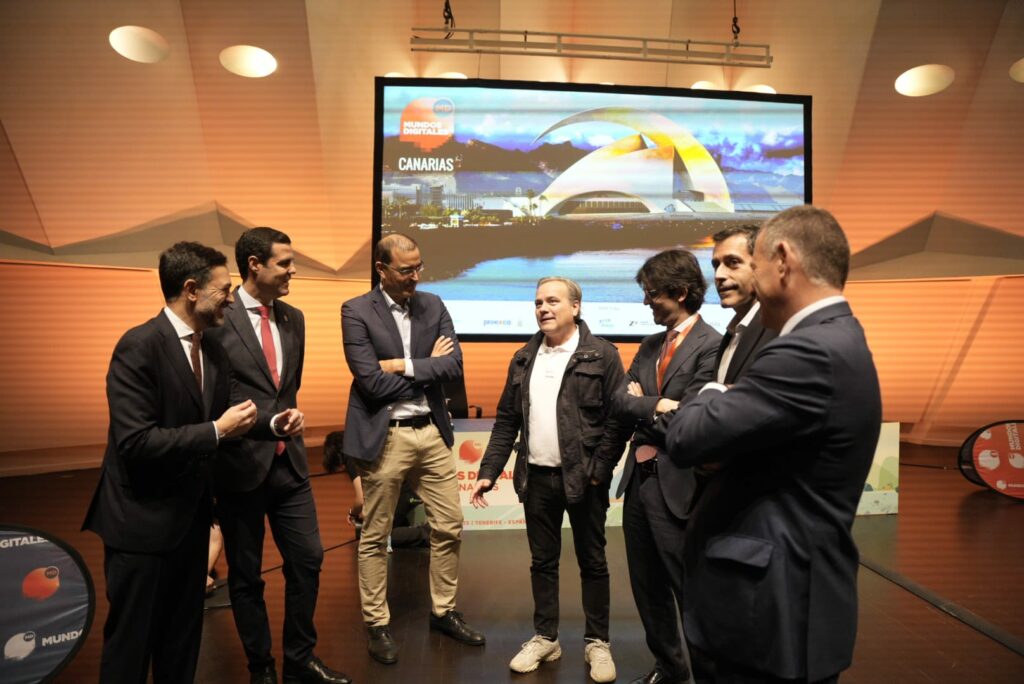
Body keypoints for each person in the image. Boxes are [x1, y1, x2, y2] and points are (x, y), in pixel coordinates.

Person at [665, 205, 882, 683]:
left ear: (782, 259)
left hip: (769, 616)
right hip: (776, 605)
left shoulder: (807, 351)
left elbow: (686, 437)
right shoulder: (835, 337)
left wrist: (709, 391)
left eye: (753, 263)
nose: (738, 278)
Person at [82, 241, 257, 684]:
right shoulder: (139, 346)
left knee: (181, 646)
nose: (232, 299)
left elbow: (233, 415)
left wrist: (274, 424)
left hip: (191, 525)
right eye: (225, 289)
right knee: (130, 648)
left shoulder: (213, 349)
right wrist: (216, 431)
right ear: (192, 290)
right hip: (141, 527)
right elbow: (136, 442)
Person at [205, 228, 350, 684]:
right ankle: (261, 668)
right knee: (246, 576)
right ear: (254, 264)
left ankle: (299, 659)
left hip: (291, 464)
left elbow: (287, 388)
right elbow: (216, 397)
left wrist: (287, 420)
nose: (293, 271)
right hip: (239, 467)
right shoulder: (219, 318)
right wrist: (265, 424)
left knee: (308, 560)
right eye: (284, 263)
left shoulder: (294, 318)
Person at [472, 277, 629, 684]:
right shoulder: (524, 357)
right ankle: (546, 638)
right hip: (536, 479)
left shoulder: (602, 354)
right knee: (542, 562)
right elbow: (507, 420)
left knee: (593, 562)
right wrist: (488, 471)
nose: (543, 308)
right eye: (538, 302)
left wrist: (599, 471)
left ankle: (598, 642)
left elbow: (619, 419)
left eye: (553, 301)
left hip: (585, 479)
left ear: (575, 307)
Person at [340, 233, 485, 665]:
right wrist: (425, 370)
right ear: (381, 269)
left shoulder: (433, 305)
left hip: (432, 432)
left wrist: (401, 365)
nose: (415, 276)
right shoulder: (356, 311)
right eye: (406, 270)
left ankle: (443, 611)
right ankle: (377, 624)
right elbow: (371, 382)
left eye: (419, 267)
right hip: (386, 435)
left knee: (450, 525)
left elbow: (453, 366)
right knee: (375, 534)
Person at [611, 250, 721, 684]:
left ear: (680, 292)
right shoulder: (649, 345)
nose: (645, 302)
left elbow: (687, 422)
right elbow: (620, 402)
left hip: (681, 486)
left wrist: (646, 405)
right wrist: (658, 404)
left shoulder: (712, 346)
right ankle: (671, 669)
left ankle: (708, 674)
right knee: (646, 586)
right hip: (639, 483)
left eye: (652, 293)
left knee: (688, 588)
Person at [322, 430, 430, 549]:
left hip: (403, 491)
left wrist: (352, 513)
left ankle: (428, 534)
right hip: (409, 486)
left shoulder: (350, 458)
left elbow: (360, 500)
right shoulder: (363, 448)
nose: (341, 470)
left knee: (377, 536)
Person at [710, 225, 777, 386]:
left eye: (733, 262)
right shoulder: (732, 333)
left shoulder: (778, 330)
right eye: (716, 265)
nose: (719, 275)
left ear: (761, 266)